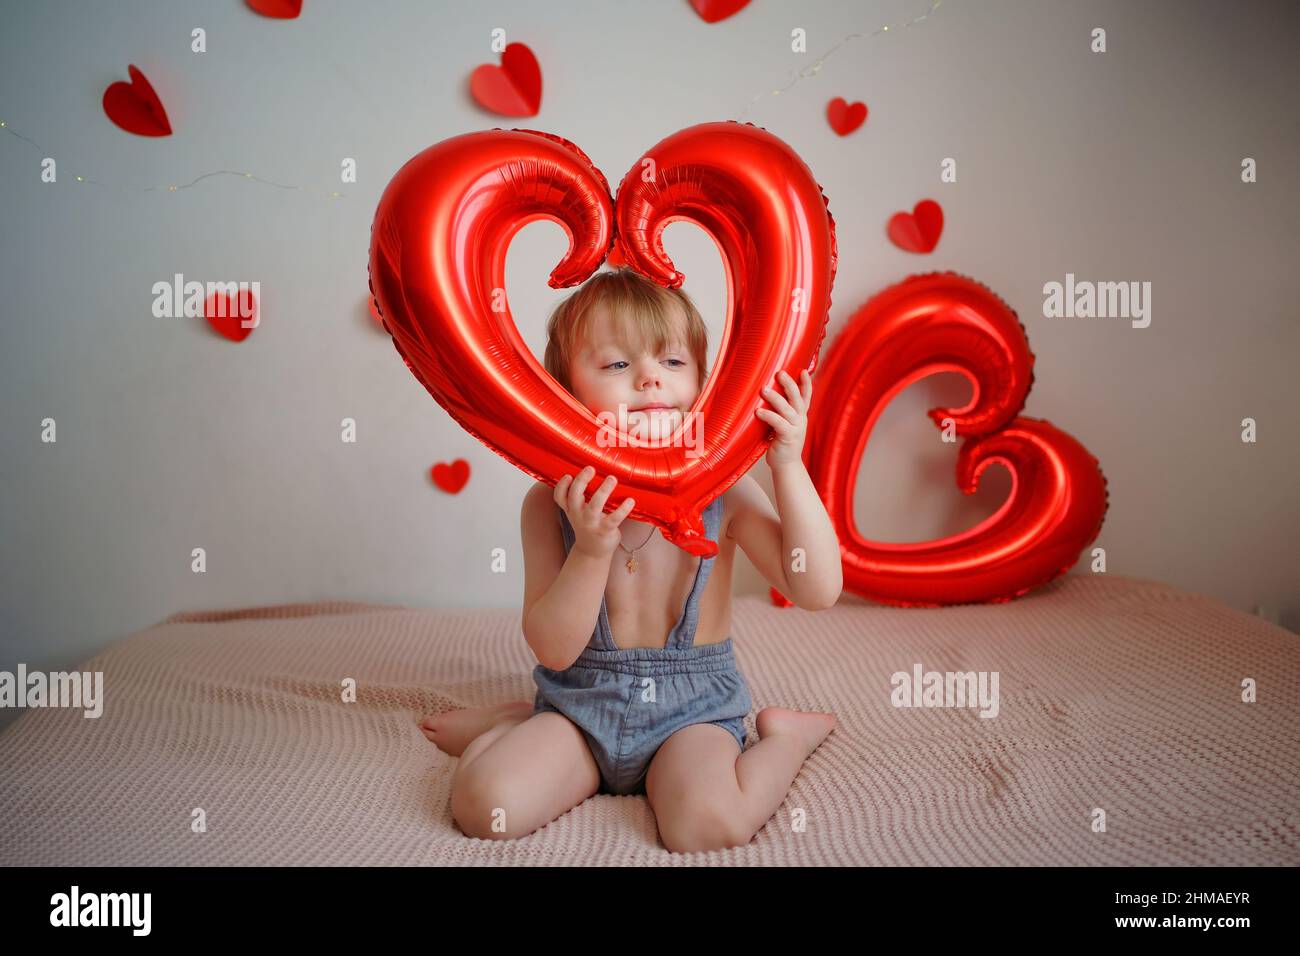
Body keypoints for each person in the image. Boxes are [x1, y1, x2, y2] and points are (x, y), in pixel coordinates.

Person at [421, 268, 842, 852]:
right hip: (579, 707)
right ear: (563, 394)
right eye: (617, 365)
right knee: (484, 805)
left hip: (692, 713)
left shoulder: (728, 493)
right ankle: (515, 722)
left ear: (705, 381)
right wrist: (591, 548)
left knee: (707, 827)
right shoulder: (548, 503)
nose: (649, 378)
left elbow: (816, 589)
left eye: (672, 362)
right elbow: (553, 647)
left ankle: (787, 740)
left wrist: (787, 466)